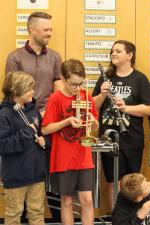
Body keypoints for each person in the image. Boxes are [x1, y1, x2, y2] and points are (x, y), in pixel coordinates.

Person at [92, 40, 150, 213]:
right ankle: (117, 217)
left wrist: (125, 108)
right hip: (109, 139)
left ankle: (134, 217)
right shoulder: (106, 78)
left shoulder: (140, 79)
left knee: (133, 182)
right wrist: (103, 95)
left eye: (118, 51)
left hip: (132, 138)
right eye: (112, 51)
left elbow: (148, 109)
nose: (113, 54)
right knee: (113, 181)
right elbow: (93, 106)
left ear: (130, 55)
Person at [41, 59, 99, 225]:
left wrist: (92, 120)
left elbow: (95, 127)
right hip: (63, 157)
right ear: (63, 79)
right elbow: (45, 129)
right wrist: (67, 121)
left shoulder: (86, 95)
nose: (77, 88)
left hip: (83, 155)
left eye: (81, 83)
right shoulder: (55, 98)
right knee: (66, 201)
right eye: (73, 84)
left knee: (87, 200)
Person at [0, 71, 49, 225]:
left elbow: (43, 132)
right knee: (14, 216)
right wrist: (27, 132)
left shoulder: (33, 110)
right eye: (29, 89)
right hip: (15, 177)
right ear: (16, 91)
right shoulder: (4, 114)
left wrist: (45, 140)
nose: (33, 92)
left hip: (36, 174)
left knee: (37, 213)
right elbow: (3, 145)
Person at [5, 11, 63, 114]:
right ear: (33, 30)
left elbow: (58, 90)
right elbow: (12, 93)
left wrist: (49, 112)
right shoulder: (14, 57)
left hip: (48, 115)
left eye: (50, 30)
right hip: (22, 116)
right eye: (46, 30)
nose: (50, 33)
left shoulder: (55, 57)